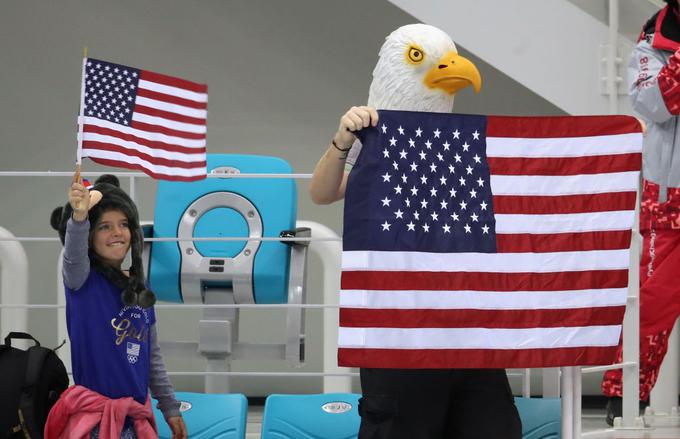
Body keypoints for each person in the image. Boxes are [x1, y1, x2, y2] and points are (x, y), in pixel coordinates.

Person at [310, 23, 521, 439]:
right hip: (398, 330)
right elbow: (322, 192)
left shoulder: (465, 144)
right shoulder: (371, 134)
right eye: (419, 58)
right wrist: (342, 140)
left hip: (468, 330)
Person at [45, 171, 187, 439]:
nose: (117, 233)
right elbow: (73, 255)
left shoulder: (141, 291)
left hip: (136, 419)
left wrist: (170, 407)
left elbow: (152, 357)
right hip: (95, 424)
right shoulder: (81, 281)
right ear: (89, 235)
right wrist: (79, 217)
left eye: (123, 224)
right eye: (104, 226)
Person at [601, 0, 680, 425]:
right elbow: (653, 107)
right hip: (670, 197)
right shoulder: (652, 47)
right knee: (654, 304)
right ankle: (625, 393)